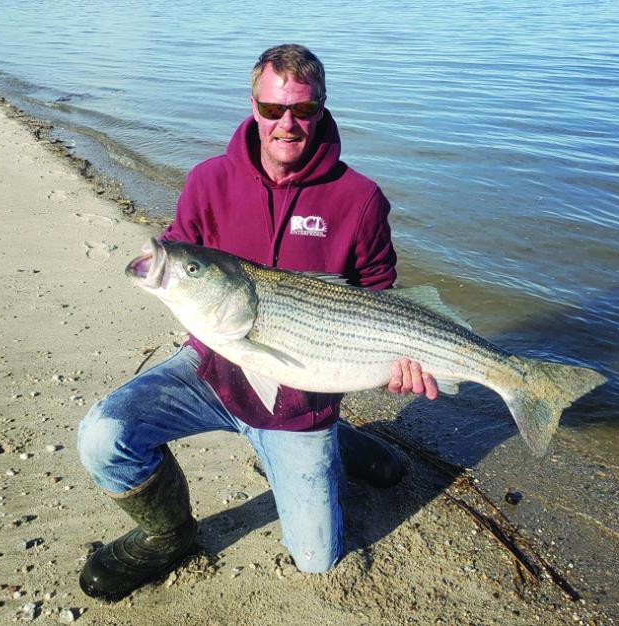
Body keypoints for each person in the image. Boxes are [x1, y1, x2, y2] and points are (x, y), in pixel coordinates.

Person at [77, 44, 438, 602]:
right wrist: (184, 279)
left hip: (298, 402)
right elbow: (179, 252)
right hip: (211, 372)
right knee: (104, 436)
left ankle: (334, 439)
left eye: (302, 110)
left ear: (320, 108)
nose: (286, 124)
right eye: (273, 110)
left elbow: (380, 297)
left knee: (318, 559)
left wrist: (402, 361)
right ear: (253, 106)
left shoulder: (360, 199)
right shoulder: (208, 180)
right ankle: (169, 534)